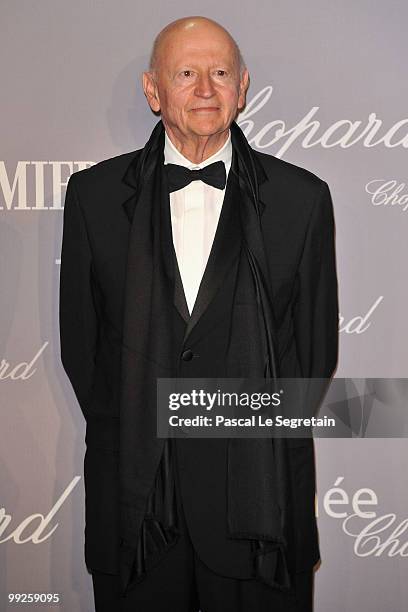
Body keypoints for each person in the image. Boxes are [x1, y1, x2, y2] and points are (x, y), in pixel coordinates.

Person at [59, 15, 339, 612]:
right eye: (186, 73)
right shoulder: (94, 198)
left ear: (243, 88)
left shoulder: (303, 199)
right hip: (135, 510)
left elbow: (313, 356)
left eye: (219, 73)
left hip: (259, 512)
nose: (205, 89)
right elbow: (84, 351)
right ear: (153, 90)